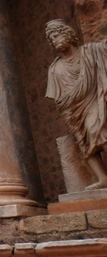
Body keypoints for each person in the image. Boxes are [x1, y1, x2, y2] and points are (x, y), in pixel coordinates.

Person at [46, 20, 107, 189]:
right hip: (73, 110)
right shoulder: (55, 68)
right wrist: (68, 109)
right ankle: (103, 178)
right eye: (51, 38)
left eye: (56, 35)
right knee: (84, 143)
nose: (54, 40)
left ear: (67, 34)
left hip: (94, 100)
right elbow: (59, 97)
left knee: (99, 132)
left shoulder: (90, 51)